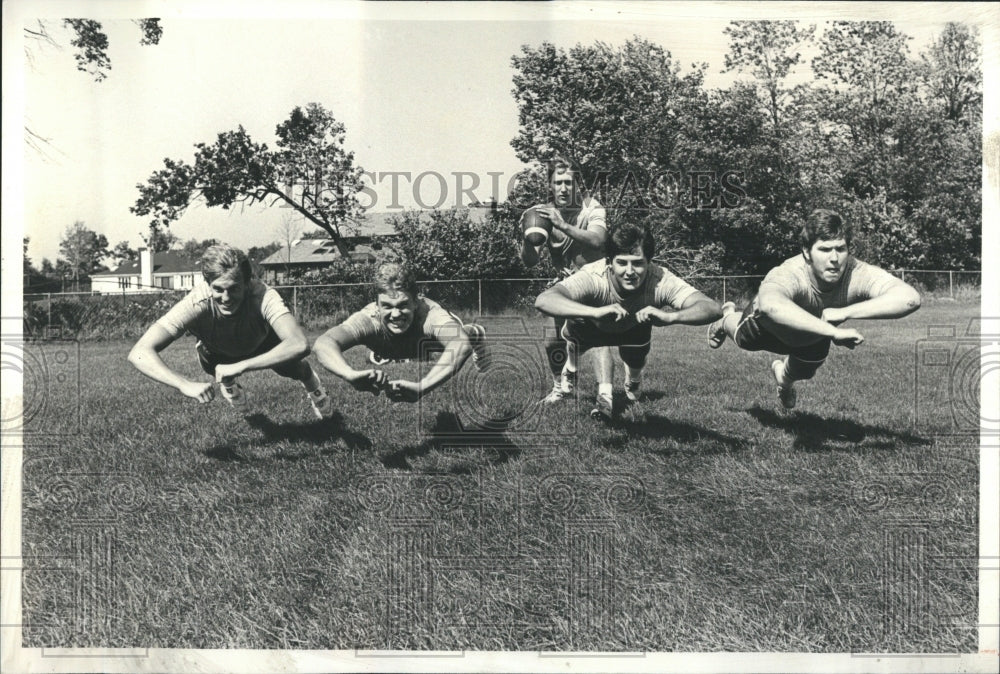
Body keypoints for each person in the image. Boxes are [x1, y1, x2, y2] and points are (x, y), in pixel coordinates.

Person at [706, 209, 921, 409]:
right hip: (767, 328)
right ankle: (725, 318)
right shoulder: (790, 272)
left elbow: (910, 298)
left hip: (812, 337)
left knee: (803, 373)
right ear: (807, 253)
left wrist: (845, 313)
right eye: (825, 250)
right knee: (743, 340)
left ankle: (783, 382)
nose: (835, 259)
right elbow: (769, 305)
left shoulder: (857, 271)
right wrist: (834, 331)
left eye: (841, 249)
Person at [534, 223, 722, 421]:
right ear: (609, 262)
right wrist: (594, 312)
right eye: (622, 263)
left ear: (649, 262)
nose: (630, 271)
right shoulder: (593, 276)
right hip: (593, 324)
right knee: (554, 332)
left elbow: (711, 308)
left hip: (634, 326)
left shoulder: (660, 278)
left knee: (634, 359)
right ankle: (566, 386)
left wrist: (670, 317)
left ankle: (633, 379)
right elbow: (544, 300)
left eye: (638, 263)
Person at [128, 243, 333, 418]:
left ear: (247, 283)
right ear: (208, 284)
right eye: (218, 289)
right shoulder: (196, 302)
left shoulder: (262, 294)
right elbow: (139, 352)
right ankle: (228, 382)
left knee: (297, 369)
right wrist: (182, 384)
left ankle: (316, 390)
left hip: (262, 342)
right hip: (216, 352)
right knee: (217, 370)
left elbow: (299, 344)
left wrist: (242, 365)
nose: (226, 298)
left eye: (234, 288)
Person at [312, 262, 489, 403]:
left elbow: (460, 345)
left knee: (464, 337)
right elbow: (323, 343)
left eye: (403, 305)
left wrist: (422, 386)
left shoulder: (430, 316)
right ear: (377, 305)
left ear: (416, 302)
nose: (395, 315)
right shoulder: (369, 318)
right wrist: (349, 374)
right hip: (394, 346)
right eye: (387, 306)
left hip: (429, 342)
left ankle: (475, 332)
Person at [520, 156, 614, 407]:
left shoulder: (592, 207)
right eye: (558, 182)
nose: (563, 188)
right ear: (550, 185)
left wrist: (561, 224)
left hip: (596, 281)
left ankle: (606, 398)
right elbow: (529, 261)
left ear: (578, 185)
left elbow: (598, 241)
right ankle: (560, 389)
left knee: (596, 339)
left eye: (569, 182)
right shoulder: (543, 213)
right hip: (565, 284)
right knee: (553, 342)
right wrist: (527, 240)